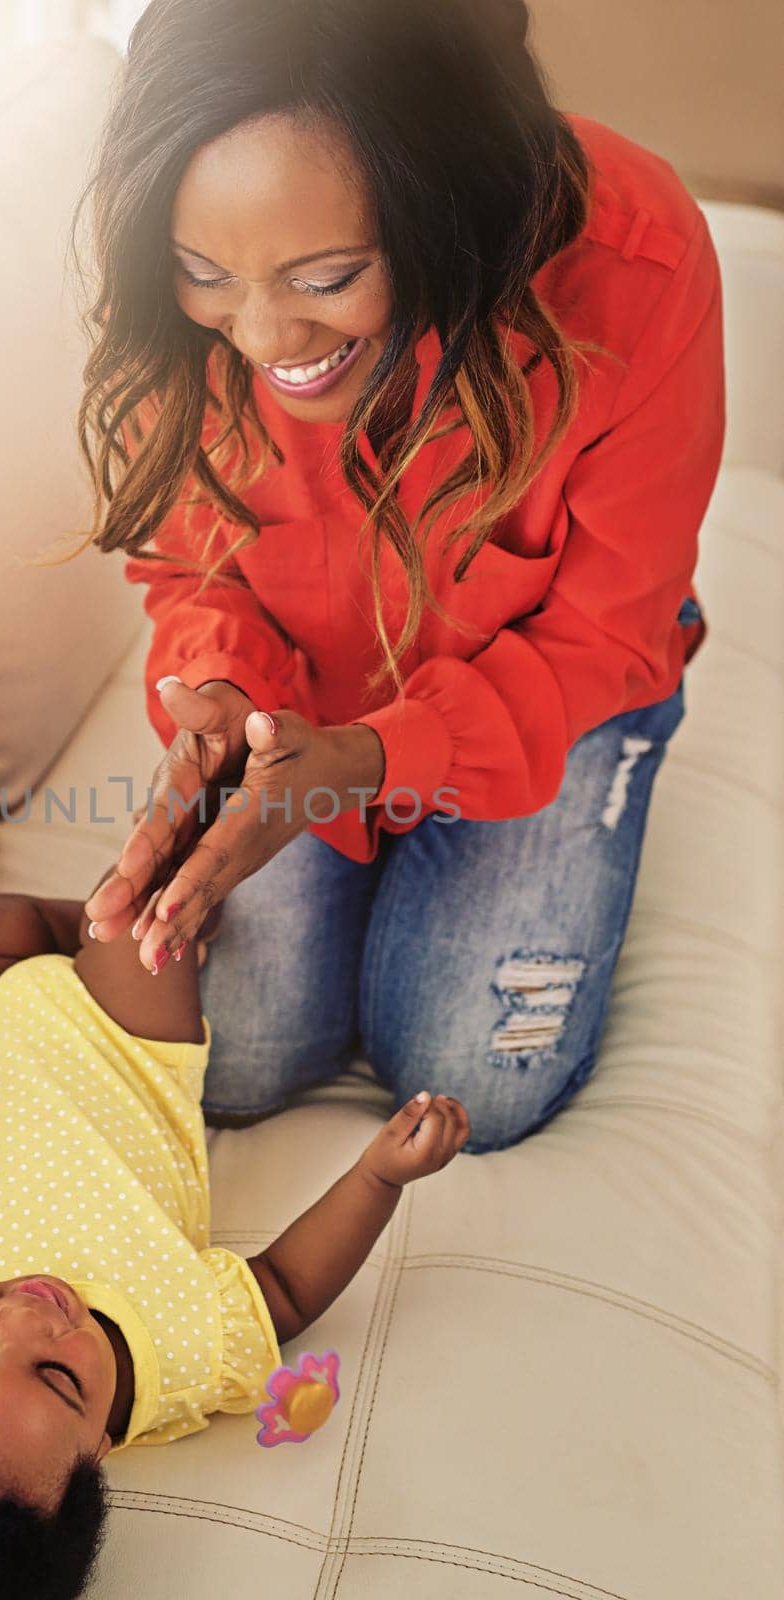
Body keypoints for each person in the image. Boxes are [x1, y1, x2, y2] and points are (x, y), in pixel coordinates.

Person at [68, 0, 725, 1149]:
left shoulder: (635, 254)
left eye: (325, 277)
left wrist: (377, 757)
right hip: (295, 701)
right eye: (203, 271)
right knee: (241, 1051)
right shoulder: (179, 261)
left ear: (445, 208)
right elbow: (189, 565)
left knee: (473, 1081)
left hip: (557, 689)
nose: (264, 336)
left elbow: (606, 627)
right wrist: (224, 704)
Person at [0, 880, 469, 1600]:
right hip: (127, 1050)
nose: (32, 1316)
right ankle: (156, 927)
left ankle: (86, 931)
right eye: (57, 1377)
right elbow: (283, 1285)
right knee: (143, 914)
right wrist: (380, 1177)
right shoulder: (184, 1358)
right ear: (94, 1457)